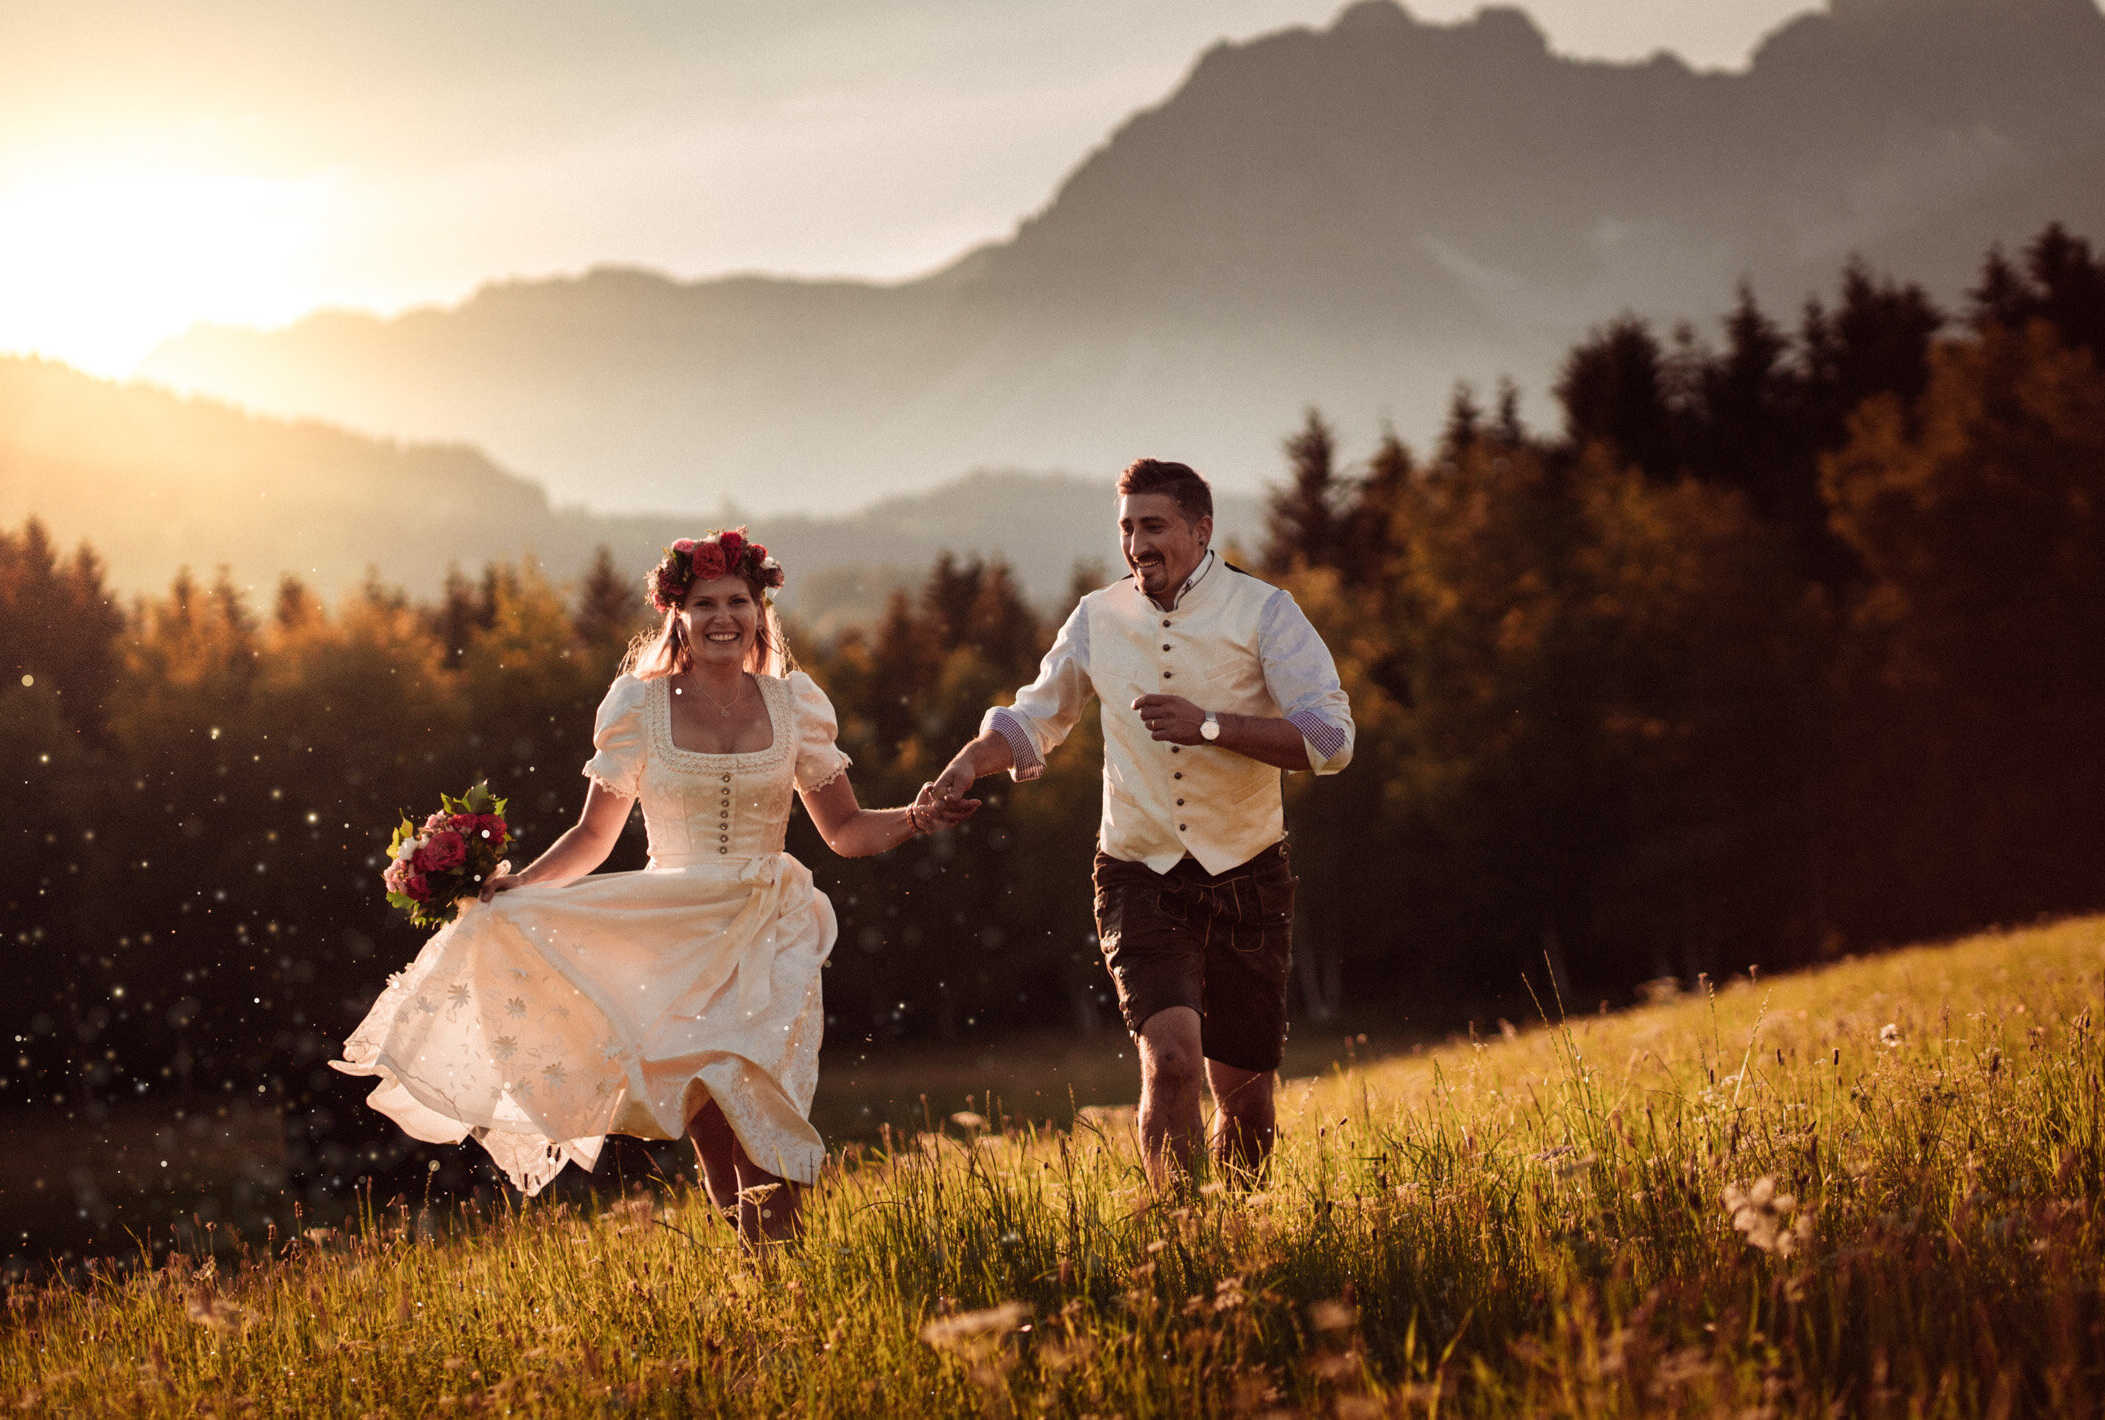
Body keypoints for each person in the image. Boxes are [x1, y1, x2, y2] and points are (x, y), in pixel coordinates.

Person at [332, 529, 969, 1242]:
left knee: (760, 1101)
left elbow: (846, 828)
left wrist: (916, 817)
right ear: (679, 615)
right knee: (715, 1134)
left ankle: (782, 1269)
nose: (723, 616)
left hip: (769, 932)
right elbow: (594, 835)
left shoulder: (796, 707)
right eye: (705, 603)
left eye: (738, 601)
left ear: (760, 612)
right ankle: (762, 1276)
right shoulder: (640, 708)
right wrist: (522, 887)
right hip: (671, 938)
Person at [926, 458, 1354, 1182]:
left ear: (1200, 528)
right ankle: (1176, 1245)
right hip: (1138, 872)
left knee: (1247, 1103)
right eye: (1126, 528)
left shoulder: (1266, 610)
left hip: (1250, 874)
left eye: (1152, 526)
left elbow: (1332, 740)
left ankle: (1240, 1237)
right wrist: (971, 760)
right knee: (1174, 1061)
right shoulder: (1097, 616)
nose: (1135, 544)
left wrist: (1211, 726)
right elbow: (1036, 719)